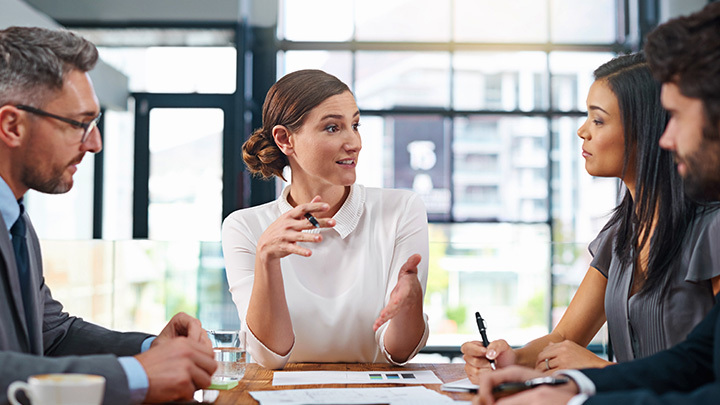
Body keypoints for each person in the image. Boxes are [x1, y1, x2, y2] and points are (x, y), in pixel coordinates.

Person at [471, 2, 720, 404]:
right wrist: (510, 358)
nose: (582, 131)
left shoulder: (712, 228)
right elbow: (565, 338)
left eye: (599, 119)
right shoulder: (621, 233)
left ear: (646, 128)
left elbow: (706, 371)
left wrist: (597, 375)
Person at [0, 26, 216, 404]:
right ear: (12, 125)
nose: (94, 143)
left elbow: (54, 335)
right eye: (79, 124)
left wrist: (153, 349)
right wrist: (136, 375)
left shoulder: (16, 221)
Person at [222, 69, 429, 369]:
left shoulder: (401, 210)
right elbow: (270, 357)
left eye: (355, 125)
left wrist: (411, 305)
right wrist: (266, 258)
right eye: (333, 128)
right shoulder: (244, 227)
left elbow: (397, 352)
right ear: (285, 139)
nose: (354, 143)